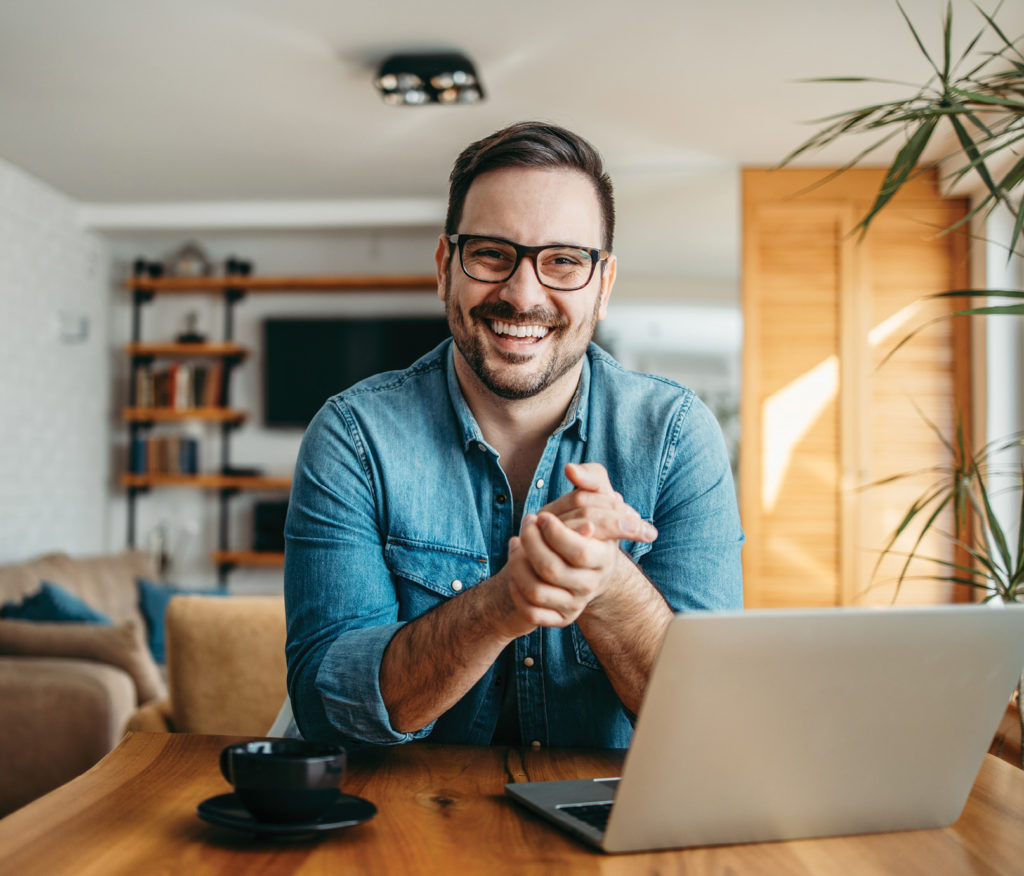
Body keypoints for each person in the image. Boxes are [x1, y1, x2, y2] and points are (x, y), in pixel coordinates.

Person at [284, 121, 743, 749]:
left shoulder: (677, 437)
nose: (523, 294)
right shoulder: (353, 436)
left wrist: (608, 584)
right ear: (446, 267)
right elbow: (328, 710)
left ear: (603, 285)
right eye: (492, 254)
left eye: (563, 261)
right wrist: (502, 603)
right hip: (402, 832)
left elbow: (711, 723)